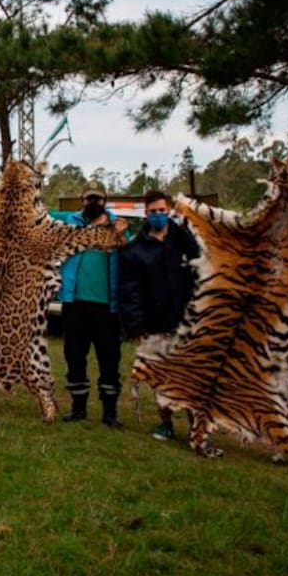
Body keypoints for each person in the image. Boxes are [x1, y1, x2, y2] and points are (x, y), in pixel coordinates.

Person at [118, 189, 200, 441]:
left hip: (186, 321)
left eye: (162, 211)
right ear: (146, 213)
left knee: (191, 376)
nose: (158, 215)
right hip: (155, 323)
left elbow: (201, 262)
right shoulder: (135, 250)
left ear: (168, 211)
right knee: (161, 377)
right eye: (153, 212)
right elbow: (130, 292)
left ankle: (196, 425)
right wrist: (135, 327)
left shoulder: (181, 239)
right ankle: (165, 423)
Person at [54, 182, 130, 426]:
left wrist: (121, 235)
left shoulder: (118, 226)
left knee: (109, 359)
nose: (93, 203)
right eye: (89, 199)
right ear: (82, 200)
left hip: (107, 307)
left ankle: (110, 412)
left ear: (105, 201)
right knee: (74, 356)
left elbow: (128, 255)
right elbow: (39, 214)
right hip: (74, 303)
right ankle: (78, 408)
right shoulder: (70, 221)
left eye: (98, 199)